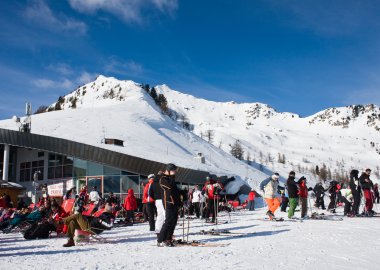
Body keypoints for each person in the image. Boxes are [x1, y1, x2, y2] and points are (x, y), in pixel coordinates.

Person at [157, 163, 181, 247]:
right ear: (169, 170)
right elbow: (169, 187)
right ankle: (160, 240)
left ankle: (168, 238)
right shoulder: (162, 179)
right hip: (168, 203)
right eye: (173, 170)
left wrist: (180, 202)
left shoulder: (171, 178)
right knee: (168, 221)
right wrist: (171, 177)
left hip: (174, 203)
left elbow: (175, 192)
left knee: (174, 221)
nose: (175, 172)